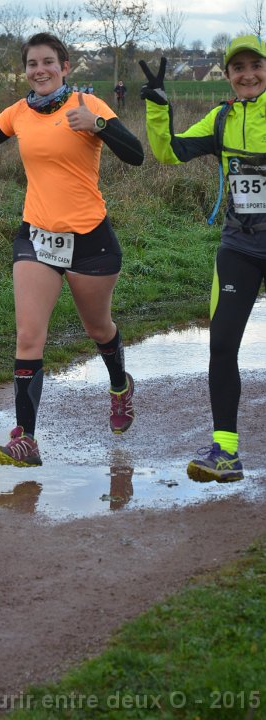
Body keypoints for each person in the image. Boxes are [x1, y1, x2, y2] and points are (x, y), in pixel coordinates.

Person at [0, 32, 144, 468]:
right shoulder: (18, 112)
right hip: (36, 238)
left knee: (98, 329)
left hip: (90, 241)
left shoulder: (88, 105)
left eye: (47, 62)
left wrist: (99, 125)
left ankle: (120, 385)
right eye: (32, 64)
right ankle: (27, 439)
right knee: (28, 336)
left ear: (64, 67)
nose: (39, 70)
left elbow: (135, 155)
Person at [139, 35, 266, 483]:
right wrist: (158, 107)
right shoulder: (221, 118)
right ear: (228, 75)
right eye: (238, 68)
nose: (248, 74)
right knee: (222, 345)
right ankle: (225, 452)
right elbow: (168, 152)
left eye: (256, 65)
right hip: (240, 247)